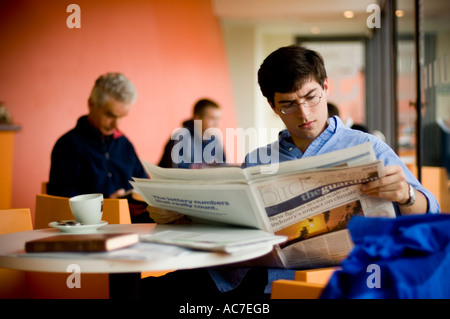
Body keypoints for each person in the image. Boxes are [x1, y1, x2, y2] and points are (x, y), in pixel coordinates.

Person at [141, 45, 440, 299]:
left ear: (325, 87)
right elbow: (231, 230)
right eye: (288, 105)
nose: (304, 113)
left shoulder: (367, 147)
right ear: (273, 106)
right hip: (256, 279)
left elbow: (431, 215)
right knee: (148, 291)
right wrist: (185, 217)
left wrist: (407, 194)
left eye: (311, 97)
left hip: (340, 279)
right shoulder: (257, 160)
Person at [47, 72, 152, 223]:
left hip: (132, 228)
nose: (116, 125)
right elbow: (60, 205)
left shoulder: (124, 144)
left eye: (122, 117)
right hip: (86, 232)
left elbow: (142, 186)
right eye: (110, 115)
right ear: (91, 104)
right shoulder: (67, 146)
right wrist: (107, 205)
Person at [158, 98, 225, 169]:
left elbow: (223, 166)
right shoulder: (181, 136)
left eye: (219, 119)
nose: (217, 123)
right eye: (212, 118)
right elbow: (176, 171)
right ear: (197, 118)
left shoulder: (215, 139)